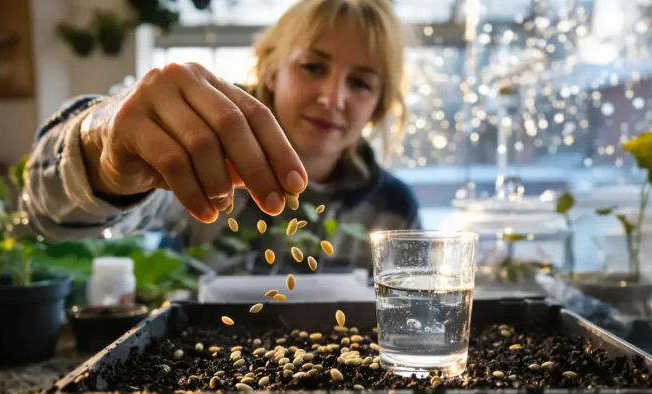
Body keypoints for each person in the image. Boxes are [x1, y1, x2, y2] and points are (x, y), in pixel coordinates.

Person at [22, 0, 421, 272]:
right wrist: (101, 151)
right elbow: (49, 218)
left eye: (361, 83)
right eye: (313, 67)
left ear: (380, 104)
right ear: (271, 71)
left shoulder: (393, 209)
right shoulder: (198, 161)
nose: (332, 98)